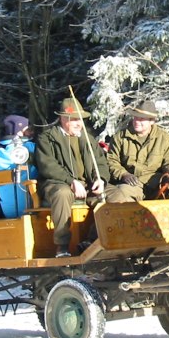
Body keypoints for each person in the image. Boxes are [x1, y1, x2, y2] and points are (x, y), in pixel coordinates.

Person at [35, 98, 118, 257]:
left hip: (87, 185)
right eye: (73, 120)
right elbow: (48, 166)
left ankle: (93, 241)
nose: (78, 123)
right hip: (57, 184)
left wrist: (100, 179)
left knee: (117, 194)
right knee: (62, 194)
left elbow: (100, 163)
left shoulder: (88, 139)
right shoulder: (47, 138)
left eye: (80, 119)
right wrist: (71, 181)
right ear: (62, 118)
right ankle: (62, 246)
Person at [106, 100, 169, 202]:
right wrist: (123, 174)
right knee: (120, 193)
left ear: (151, 121)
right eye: (135, 118)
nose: (137, 122)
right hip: (133, 184)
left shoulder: (164, 138)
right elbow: (112, 161)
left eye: (141, 119)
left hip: (157, 182)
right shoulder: (120, 138)